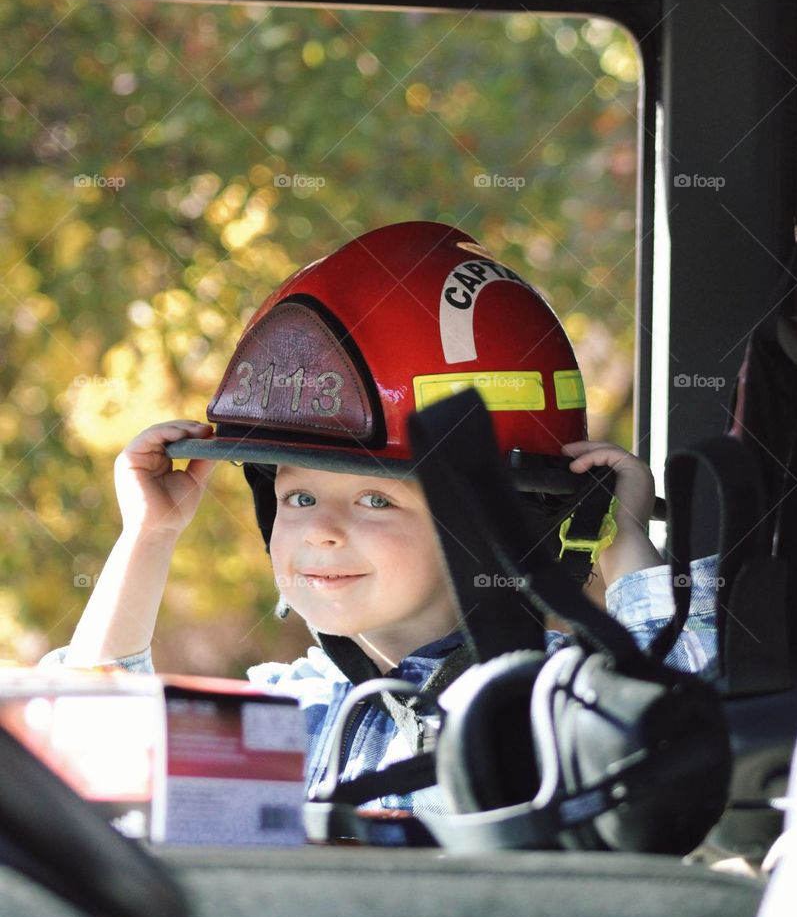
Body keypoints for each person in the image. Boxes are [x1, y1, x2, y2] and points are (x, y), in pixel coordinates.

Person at [39, 220, 720, 819]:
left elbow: (697, 724)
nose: (320, 530)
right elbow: (89, 748)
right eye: (298, 498)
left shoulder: (560, 704)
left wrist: (622, 542)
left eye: (376, 500)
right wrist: (146, 539)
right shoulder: (289, 714)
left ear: (495, 523)